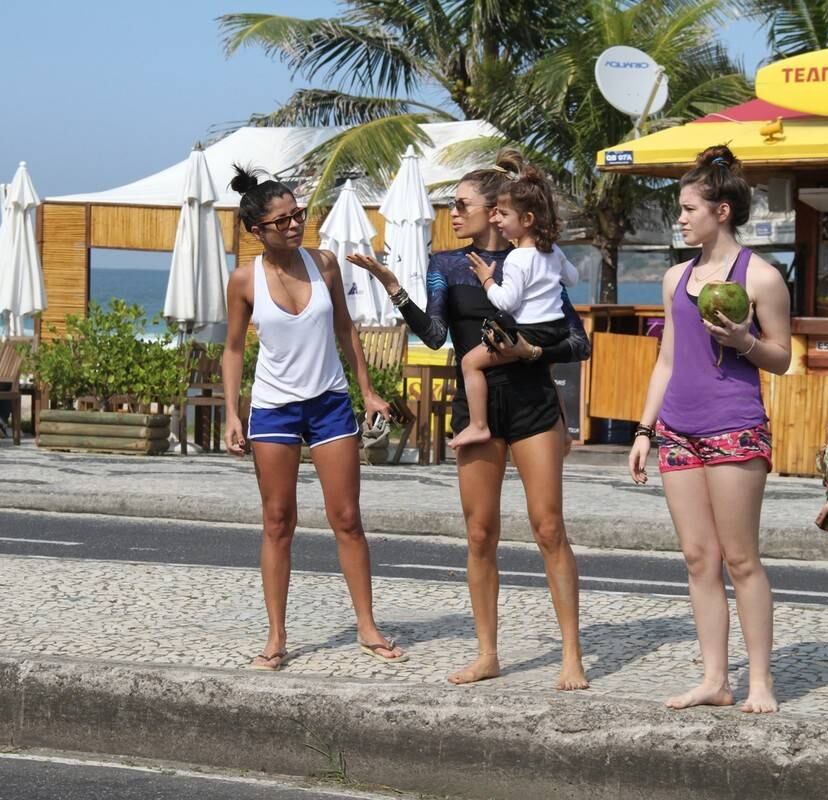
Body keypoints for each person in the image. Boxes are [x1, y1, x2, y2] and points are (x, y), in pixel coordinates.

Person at [348, 150, 591, 690]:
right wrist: (393, 287)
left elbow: (578, 341)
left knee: (549, 528)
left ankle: (571, 654)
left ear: (495, 208)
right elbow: (436, 337)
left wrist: (527, 351)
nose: (453, 215)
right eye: (450, 206)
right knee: (480, 533)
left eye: (461, 205)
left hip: (532, 404)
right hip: (476, 406)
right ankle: (488, 653)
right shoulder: (447, 265)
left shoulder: (538, 258)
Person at [627, 145, 792, 714]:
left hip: (734, 428)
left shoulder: (762, 278)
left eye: (689, 208)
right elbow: (668, 362)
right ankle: (714, 679)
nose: (680, 217)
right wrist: (644, 429)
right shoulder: (676, 278)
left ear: (721, 210)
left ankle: (760, 683)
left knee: (741, 557)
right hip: (678, 428)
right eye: (680, 208)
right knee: (699, 558)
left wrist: (743, 340)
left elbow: (782, 358)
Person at [221, 165, 404, 671]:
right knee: (278, 522)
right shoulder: (244, 280)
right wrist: (233, 414)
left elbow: (347, 331)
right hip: (273, 407)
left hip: (329, 402)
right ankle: (276, 637)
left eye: (298, 214)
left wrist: (367, 391)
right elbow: (233, 350)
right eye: (282, 220)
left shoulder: (324, 264)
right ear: (257, 230)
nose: (294, 224)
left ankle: (367, 627)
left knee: (347, 519)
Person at [450, 163, 578, 450]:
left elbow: (507, 301)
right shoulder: (552, 251)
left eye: (504, 215)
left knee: (470, 362)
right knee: (545, 371)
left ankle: (478, 425)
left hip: (529, 331)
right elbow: (572, 278)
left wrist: (486, 281)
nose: (499, 220)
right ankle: (564, 427)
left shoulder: (517, 258)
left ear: (527, 218)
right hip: (555, 329)